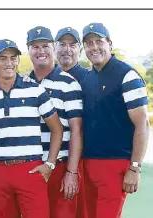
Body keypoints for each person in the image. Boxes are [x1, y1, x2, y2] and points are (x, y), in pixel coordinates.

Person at [0, 39, 63, 218]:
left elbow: (57, 129)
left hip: (30, 170)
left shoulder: (35, 90)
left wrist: (50, 164)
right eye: (3, 58)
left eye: (13, 58)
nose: (9, 63)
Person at [80, 22, 150, 218]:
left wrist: (134, 167)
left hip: (115, 165)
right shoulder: (88, 77)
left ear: (110, 43)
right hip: (88, 163)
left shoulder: (127, 76)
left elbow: (142, 124)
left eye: (99, 41)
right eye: (88, 43)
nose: (94, 47)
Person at [26, 26, 84, 218]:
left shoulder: (69, 83)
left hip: (59, 167)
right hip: (30, 167)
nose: (40, 51)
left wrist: (72, 173)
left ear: (53, 48)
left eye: (45, 46)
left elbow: (76, 131)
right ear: (28, 50)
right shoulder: (22, 83)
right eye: (35, 46)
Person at [54, 26, 89, 218]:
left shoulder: (89, 78)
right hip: (57, 159)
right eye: (62, 44)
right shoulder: (43, 78)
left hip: (84, 159)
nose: (67, 49)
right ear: (54, 47)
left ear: (80, 49)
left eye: (72, 45)